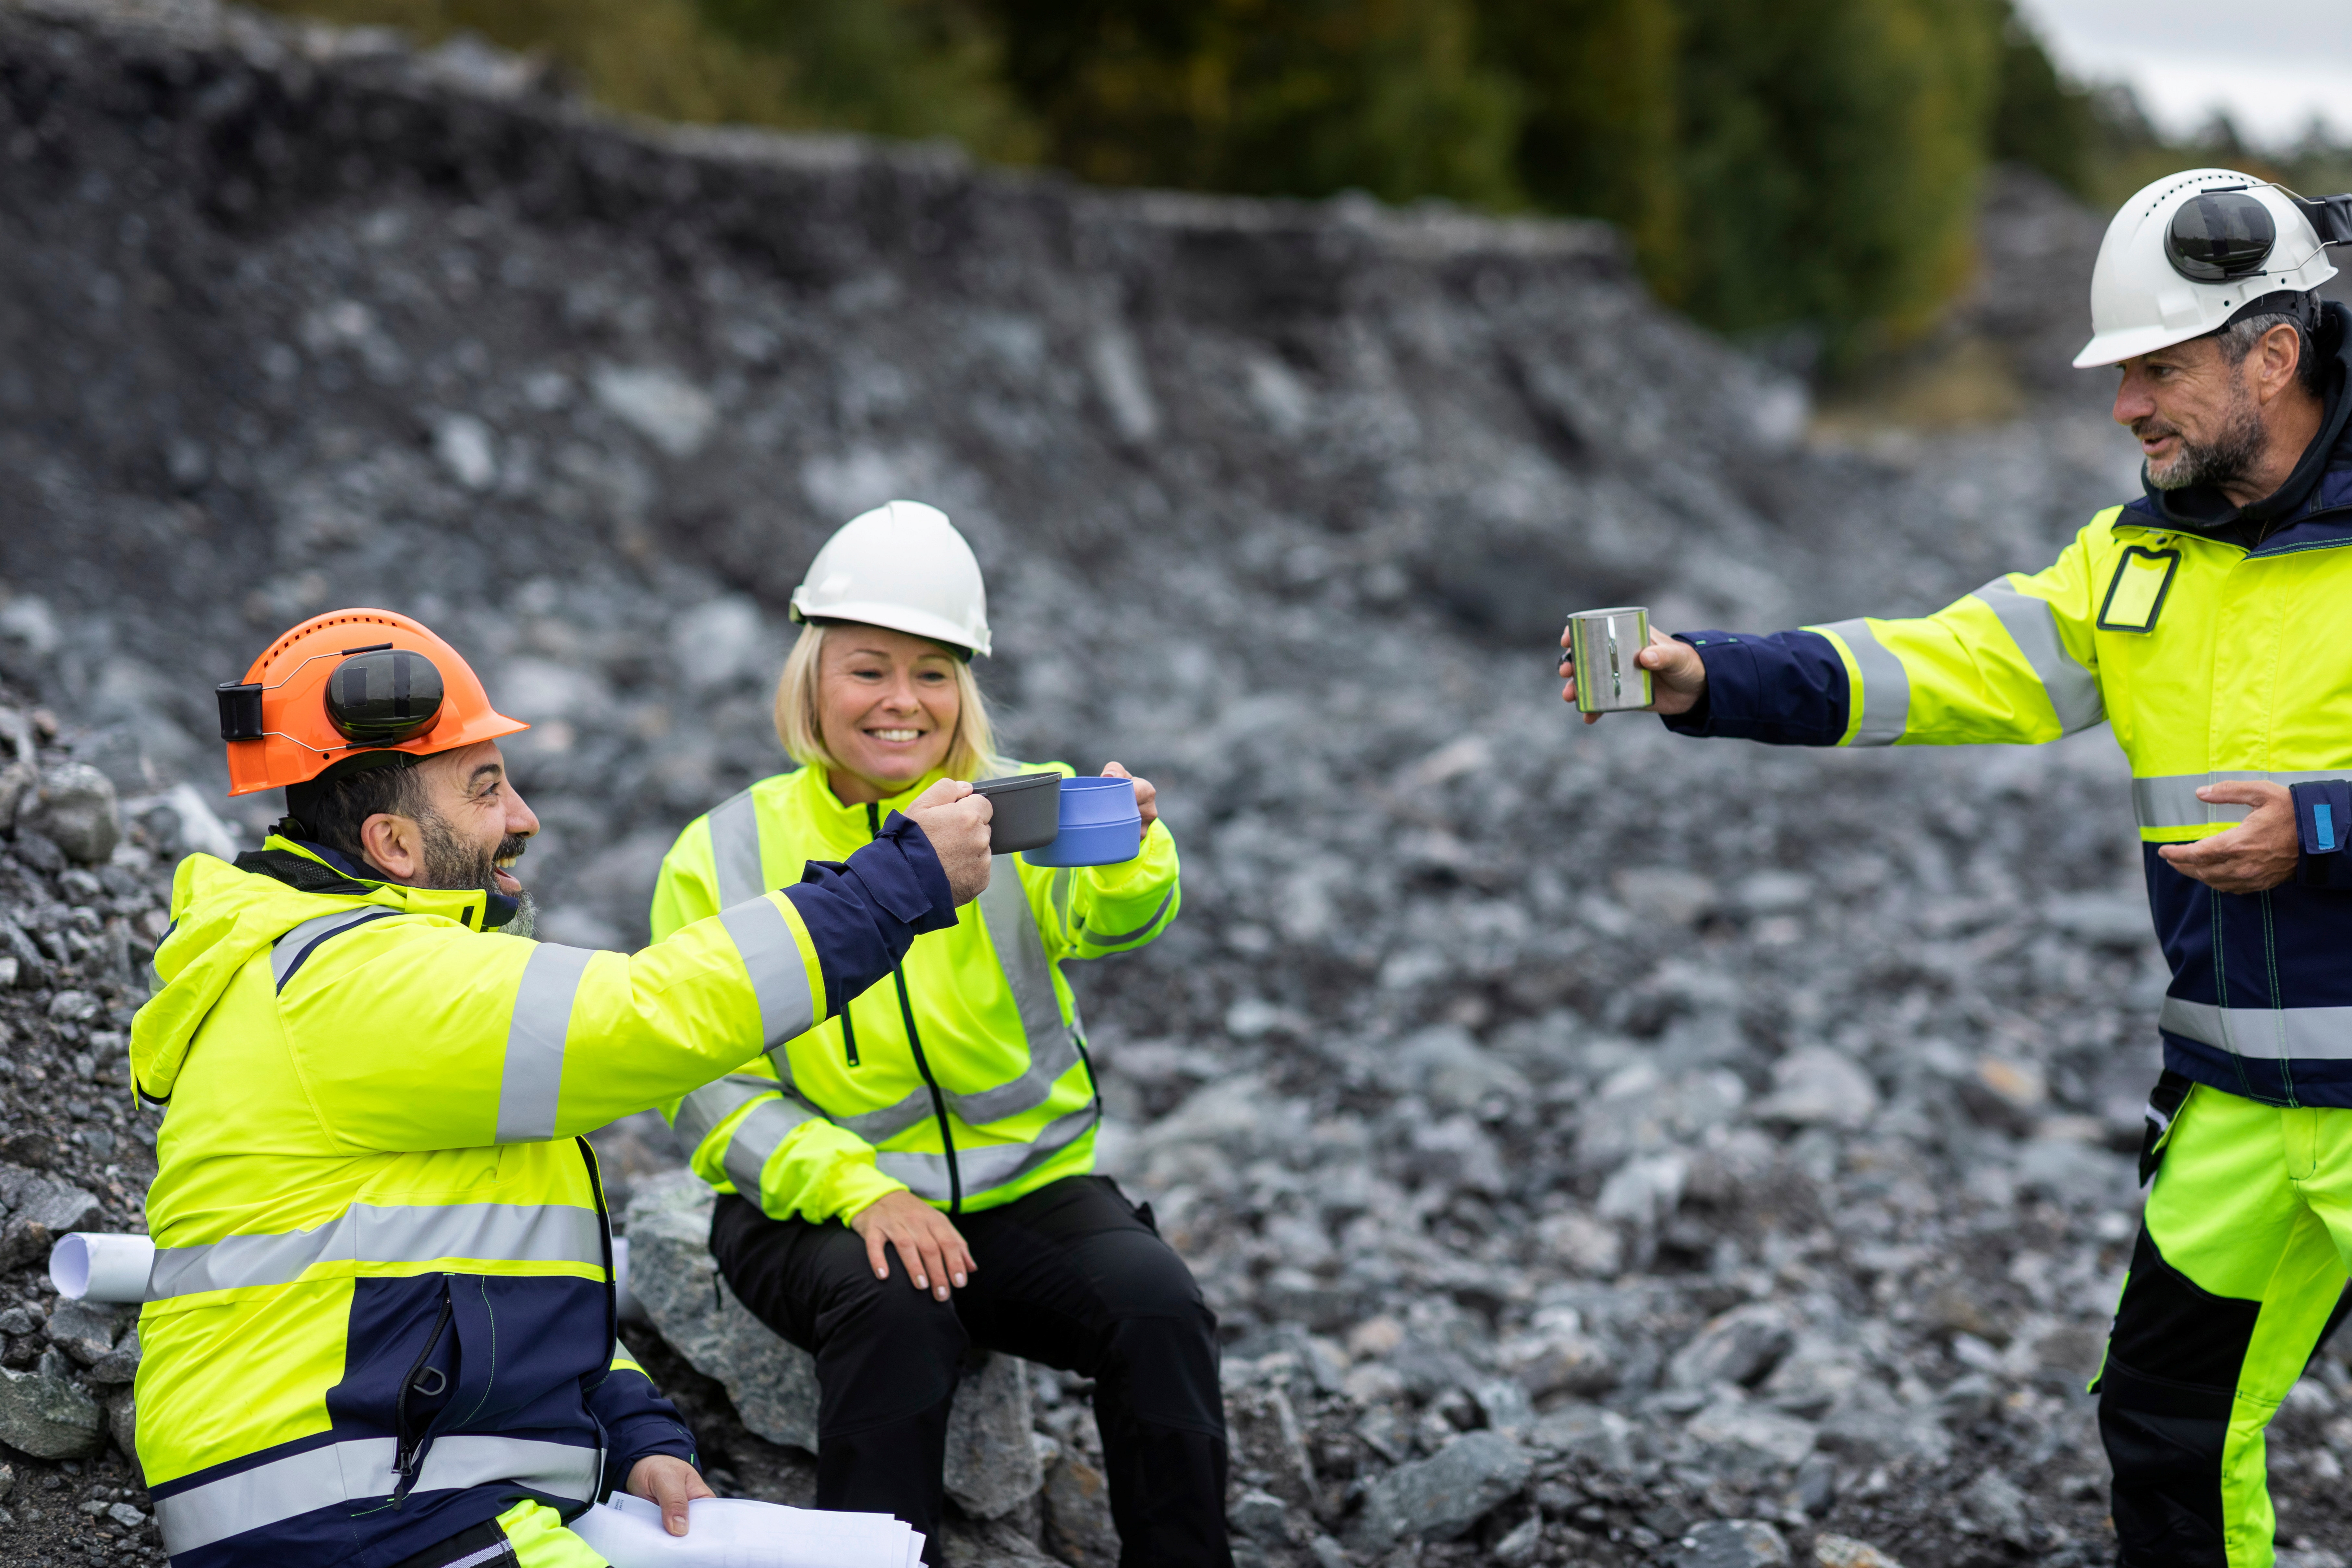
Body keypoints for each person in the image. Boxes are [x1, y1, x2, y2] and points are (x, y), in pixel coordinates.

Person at [1563, 170, 2352, 1568]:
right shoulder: (2131, 565)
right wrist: (1708, 678)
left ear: (2270, 355)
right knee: (2168, 1440)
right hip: (2242, 1114)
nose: (2124, 408)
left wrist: (2325, 824)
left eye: (2157, 371)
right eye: (2121, 377)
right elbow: (1948, 661)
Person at [135, 607, 994, 1568]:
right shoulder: (356, 981)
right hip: (347, 1514)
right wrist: (892, 886)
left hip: (397, 1490)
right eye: (486, 787)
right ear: (395, 844)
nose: (523, 818)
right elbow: (646, 1014)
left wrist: (629, 1427)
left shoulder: (376, 987)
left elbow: (486, 1270)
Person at [649, 502, 1224, 1568]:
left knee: (1159, 1311)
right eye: (868, 669)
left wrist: (1134, 847)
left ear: (965, 688)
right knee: (899, 1304)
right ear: (812, 678)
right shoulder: (725, 848)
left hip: (1022, 1194)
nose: (901, 701)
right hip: (811, 1208)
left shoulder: (1014, 813)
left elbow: (1115, 922)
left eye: (933, 672)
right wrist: (862, 1188)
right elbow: (703, 1085)